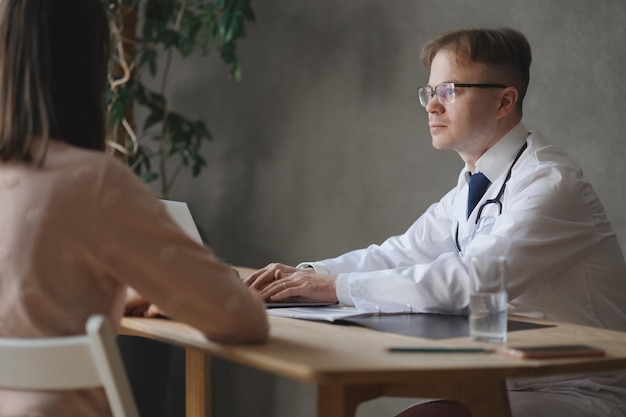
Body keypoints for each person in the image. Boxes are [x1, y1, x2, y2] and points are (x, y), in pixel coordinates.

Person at [245, 27, 626, 417]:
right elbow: (401, 253)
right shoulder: (474, 185)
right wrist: (305, 274)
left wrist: (332, 287)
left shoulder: (551, 184)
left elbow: (468, 280)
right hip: (502, 379)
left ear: (503, 101)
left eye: (449, 91)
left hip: (574, 391)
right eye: (430, 93)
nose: (431, 107)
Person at [0, 1, 268, 416]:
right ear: (89, 63)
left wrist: (119, 293)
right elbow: (242, 319)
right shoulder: (93, 183)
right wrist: (165, 291)